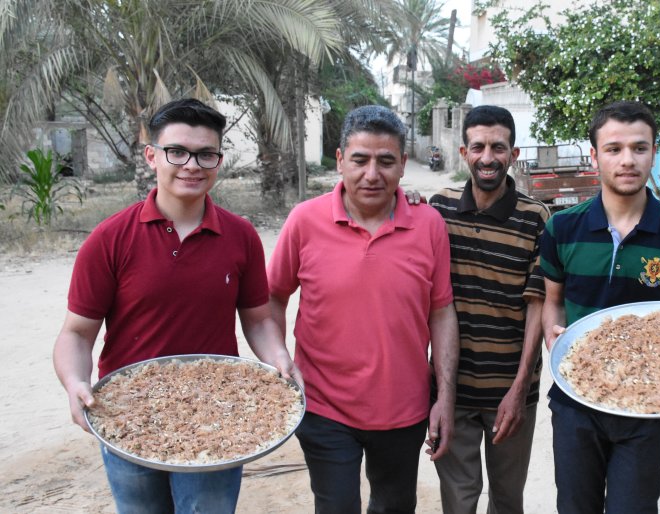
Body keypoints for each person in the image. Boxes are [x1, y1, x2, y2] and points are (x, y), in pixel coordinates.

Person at [52, 98, 299, 514]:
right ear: (152, 156)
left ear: (219, 160)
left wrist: (278, 358)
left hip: (218, 413)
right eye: (177, 152)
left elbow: (258, 320)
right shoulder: (110, 239)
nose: (192, 165)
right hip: (127, 409)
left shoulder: (240, 236)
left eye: (206, 154)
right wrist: (75, 381)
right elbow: (76, 333)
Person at [267, 105, 459, 514]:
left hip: (404, 410)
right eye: (360, 160)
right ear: (340, 161)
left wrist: (444, 396)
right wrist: (279, 358)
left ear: (403, 164)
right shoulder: (305, 221)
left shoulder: (429, 225)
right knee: (336, 507)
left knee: (394, 507)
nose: (372, 174)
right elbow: (272, 297)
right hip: (323, 407)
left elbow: (441, 312)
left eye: (385, 161)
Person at [539, 101, 660, 513]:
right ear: (595, 156)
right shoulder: (563, 228)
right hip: (575, 401)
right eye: (614, 149)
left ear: (653, 152)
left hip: (645, 405)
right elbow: (553, 303)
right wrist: (553, 338)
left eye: (639, 148)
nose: (627, 160)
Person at [428, 105, 550, 513]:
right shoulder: (438, 209)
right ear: (463, 152)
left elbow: (537, 307)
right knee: (458, 502)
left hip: (511, 394)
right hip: (452, 391)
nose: (487, 157)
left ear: (513, 154)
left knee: (507, 500)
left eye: (498, 147)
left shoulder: (536, 218)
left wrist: (520, 389)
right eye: (478, 147)